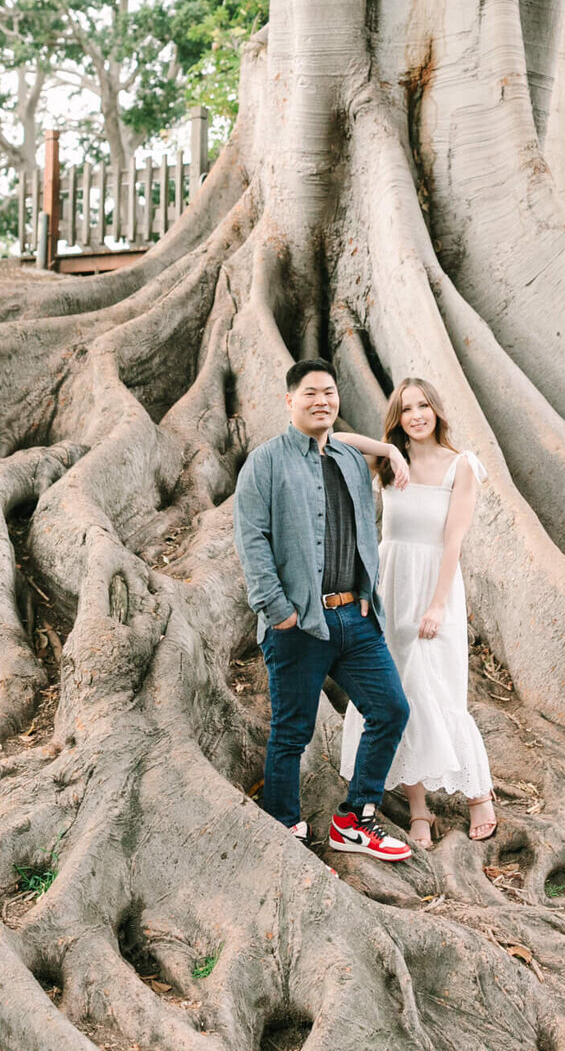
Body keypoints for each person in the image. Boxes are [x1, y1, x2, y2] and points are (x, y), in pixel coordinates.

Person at [233, 358, 414, 861]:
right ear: (289, 400)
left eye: (329, 393)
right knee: (292, 731)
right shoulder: (265, 462)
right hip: (297, 624)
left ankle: (354, 820)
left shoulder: (351, 460)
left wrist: (364, 592)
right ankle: (284, 829)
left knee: (391, 710)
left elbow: (365, 529)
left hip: (354, 619)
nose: (321, 401)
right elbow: (252, 539)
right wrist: (278, 610)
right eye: (310, 393)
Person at [337, 377, 496, 850]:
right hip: (391, 585)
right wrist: (388, 452)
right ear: (398, 417)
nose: (417, 415)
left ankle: (478, 793)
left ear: (437, 410)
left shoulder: (461, 465)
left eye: (424, 405)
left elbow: (454, 540)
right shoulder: (386, 463)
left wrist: (438, 604)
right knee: (398, 692)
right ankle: (419, 808)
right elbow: (332, 440)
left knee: (439, 689)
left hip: (435, 585)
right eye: (406, 409)